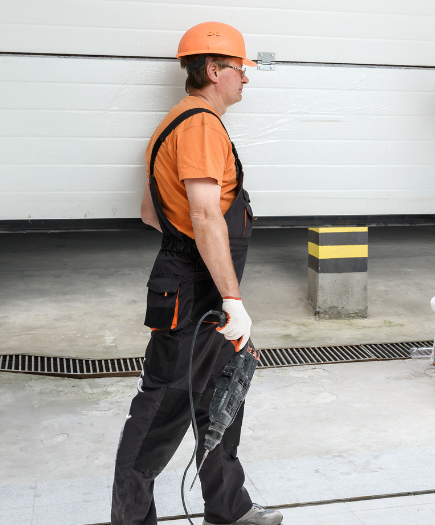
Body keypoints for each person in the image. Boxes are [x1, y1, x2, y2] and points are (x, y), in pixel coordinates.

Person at [110, 21, 283, 525]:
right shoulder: (201, 125)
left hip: (194, 279)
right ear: (213, 70)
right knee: (162, 408)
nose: (246, 78)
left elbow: (150, 211)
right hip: (195, 287)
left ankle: (228, 508)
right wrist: (232, 298)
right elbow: (205, 215)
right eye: (239, 69)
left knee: (219, 399)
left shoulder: (177, 122)